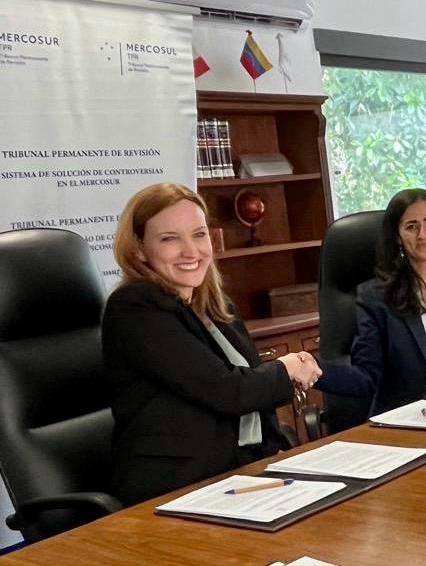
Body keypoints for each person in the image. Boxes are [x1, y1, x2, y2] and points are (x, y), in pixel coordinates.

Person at [103, 183, 321, 505]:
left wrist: (275, 451)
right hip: (175, 487)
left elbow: (252, 389)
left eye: (199, 234)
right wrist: (286, 369)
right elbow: (227, 390)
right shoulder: (135, 307)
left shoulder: (215, 305)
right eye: (169, 239)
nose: (191, 251)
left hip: (237, 472)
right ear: (139, 248)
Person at [309, 188, 426, 417]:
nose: (422, 234)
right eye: (411, 227)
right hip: (407, 424)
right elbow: (366, 377)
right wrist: (313, 369)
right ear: (398, 237)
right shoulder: (376, 299)